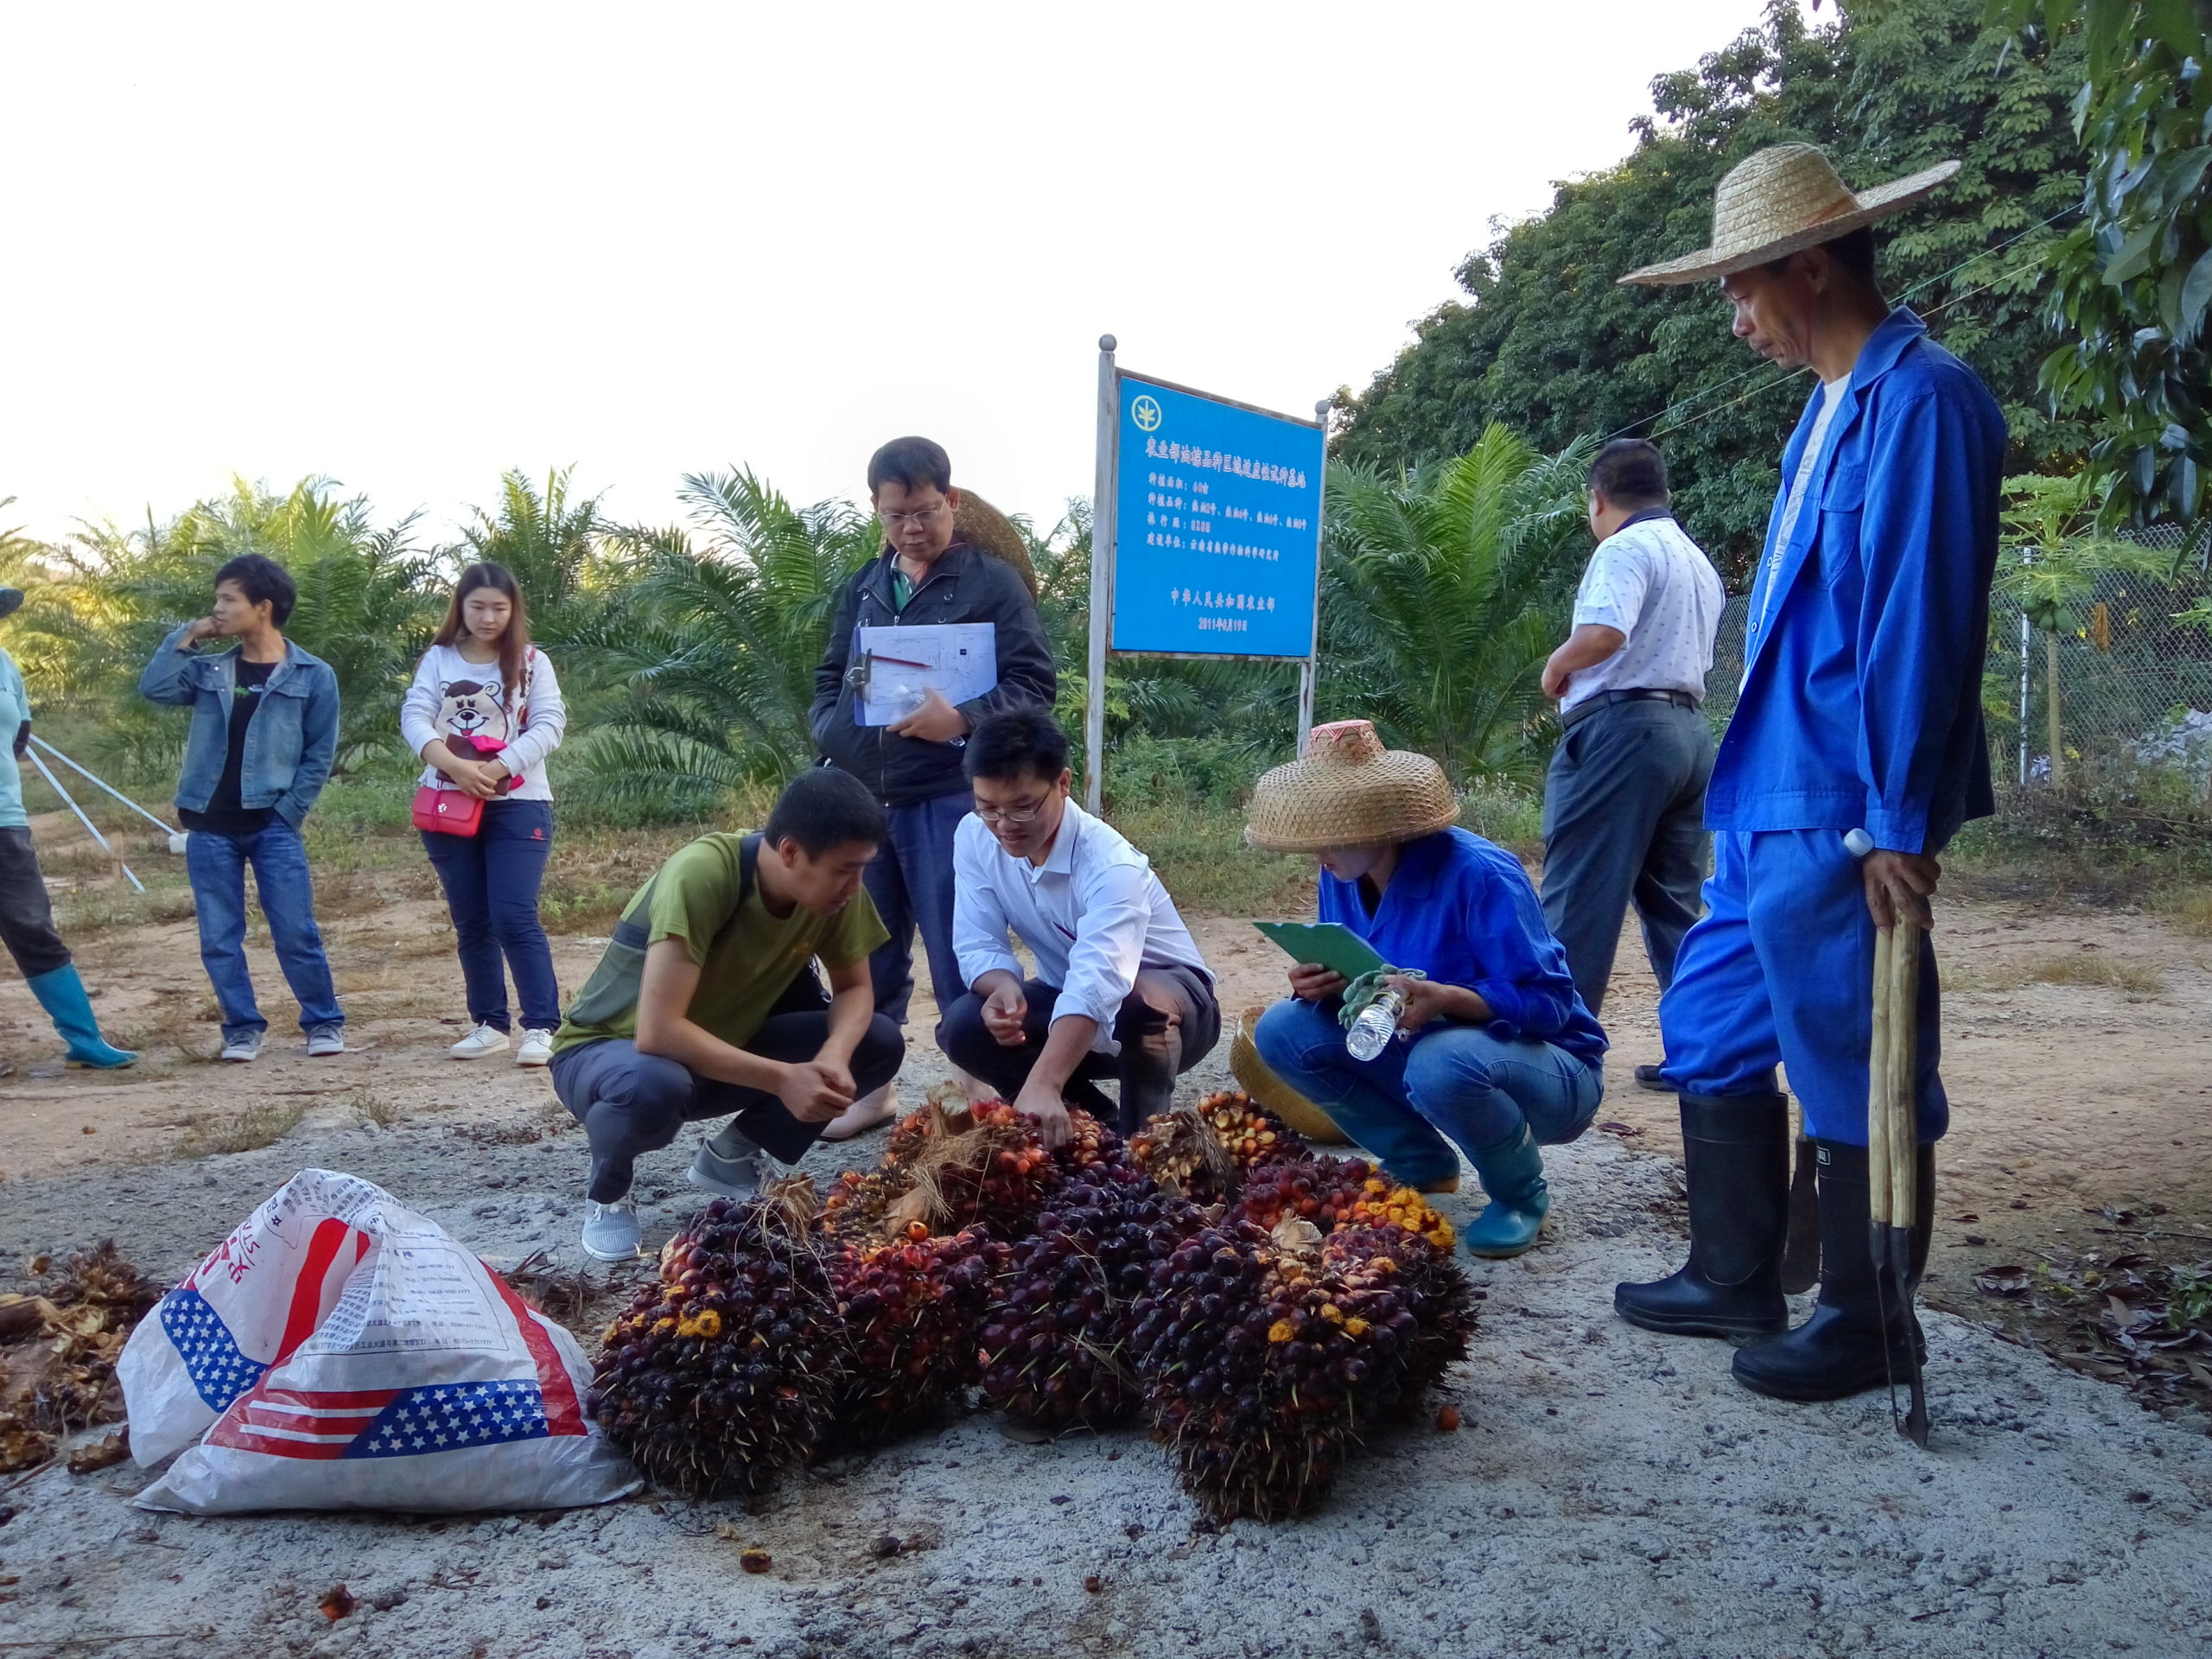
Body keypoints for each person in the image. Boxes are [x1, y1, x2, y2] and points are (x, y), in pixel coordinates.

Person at [1611, 144, 2005, 1401]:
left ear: (1811, 265)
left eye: (1742, 291)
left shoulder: (1923, 402)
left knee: (1854, 1050)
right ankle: (1736, 1274)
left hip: (1844, 798)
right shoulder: (1817, 417)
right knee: (1710, 1017)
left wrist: (1899, 815)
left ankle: (1867, 1318)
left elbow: (1919, 628)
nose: (1735, 322)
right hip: (1758, 793)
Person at [1246, 721, 1607, 1259]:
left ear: (1381, 823)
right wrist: (1323, 985)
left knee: (1442, 1059)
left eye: (1332, 835)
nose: (1320, 854)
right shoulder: (1343, 873)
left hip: (1550, 1073)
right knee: (1282, 1029)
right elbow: (1369, 978)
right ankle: (1421, 1160)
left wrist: (1453, 1000)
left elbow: (1551, 1004)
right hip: (1423, 1050)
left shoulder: (1481, 874)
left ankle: (1520, 1196)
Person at [548, 767, 904, 1261]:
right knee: (652, 1084)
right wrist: (784, 1079)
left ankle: (731, 1157)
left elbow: (856, 989)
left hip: (715, 1053)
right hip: (610, 1055)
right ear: (790, 852)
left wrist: (835, 1056)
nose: (855, 883)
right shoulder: (704, 873)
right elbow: (657, 1032)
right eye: (846, 869)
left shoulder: (835, 889)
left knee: (877, 1041)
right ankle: (608, 1192)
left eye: (862, 866)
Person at [809, 436, 1057, 1139]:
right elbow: (829, 684)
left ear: (950, 500)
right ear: (877, 512)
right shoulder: (862, 587)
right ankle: (871, 1087)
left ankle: (978, 1080)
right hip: (867, 796)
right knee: (869, 949)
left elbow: (1035, 687)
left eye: (923, 512)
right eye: (895, 517)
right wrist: (840, 736)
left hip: (951, 792)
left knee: (959, 943)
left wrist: (963, 719)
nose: (911, 529)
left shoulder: (991, 583)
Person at [937, 709, 1217, 1145]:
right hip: (1067, 994)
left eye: (1023, 807)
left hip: (1175, 1009)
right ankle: (1093, 1129)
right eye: (988, 807)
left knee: (1138, 1003)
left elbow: (1099, 981)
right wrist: (1001, 988)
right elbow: (977, 941)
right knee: (963, 1025)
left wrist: (1045, 1080)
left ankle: (1141, 1143)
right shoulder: (975, 836)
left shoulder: (1111, 865)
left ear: (1063, 784)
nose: (1004, 827)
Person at [1538, 438, 1726, 1087]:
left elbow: (1605, 634)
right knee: (1677, 905)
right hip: (1688, 733)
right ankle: (1705, 1056)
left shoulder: (1622, 548)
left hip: (1622, 731)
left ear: (1598, 498)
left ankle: (1557, 1051)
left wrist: (1558, 663)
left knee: (1579, 895)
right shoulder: (1695, 559)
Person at [140, 554, 345, 1063]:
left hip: (272, 823)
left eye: (228, 600)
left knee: (296, 931)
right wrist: (189, 634)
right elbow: (156, 687)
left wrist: (288, 812)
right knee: (219, 937)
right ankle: (242, 1029)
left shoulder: (313, 674)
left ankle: (323, 1023)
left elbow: (319, 754)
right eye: (217, 600)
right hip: (209, 825)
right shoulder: (210, 669)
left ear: (263, 607)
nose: (218, 609)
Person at [402, 563, 569, 1066]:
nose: (488, 616)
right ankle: (488, 1023)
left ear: (514, 610)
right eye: (477, 606)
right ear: (461, 606)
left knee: (513, 914)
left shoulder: (533, 662)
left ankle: (541, 1026)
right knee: (471, 919)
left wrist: (496, 768)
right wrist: (454, 766)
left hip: (518, 805)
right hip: (450, 804)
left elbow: (549, 724)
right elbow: (415, 714)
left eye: (499, 607)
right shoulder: (438, 659)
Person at [0, 585, 135, 1070]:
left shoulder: (5, 664)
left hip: (5, 822)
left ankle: (84, 1039)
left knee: (33, 926)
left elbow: (20, 735)